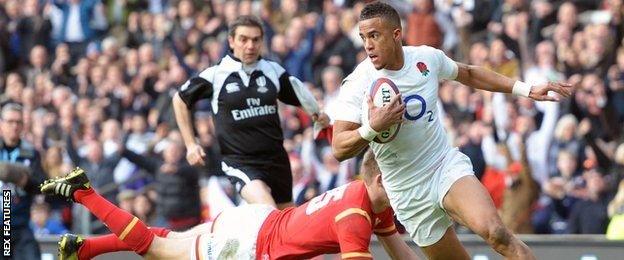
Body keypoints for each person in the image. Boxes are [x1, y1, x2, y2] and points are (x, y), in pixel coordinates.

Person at [331, 2, 573, 260]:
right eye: (363, 37)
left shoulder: (426, 58)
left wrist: (525, 89)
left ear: (396, 34)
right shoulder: (357, 84)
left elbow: (467, 73)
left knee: (497, 233)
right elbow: (339, 147)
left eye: (374, 35)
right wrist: (372, 127)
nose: (367, 45)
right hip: (407, 190)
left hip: (443, 166)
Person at [41, 150, 418, 260]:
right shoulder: (355, 214)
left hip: (258, 222)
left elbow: (400, 252)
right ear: (381, 179)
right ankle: (84, 192)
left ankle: (85, 248)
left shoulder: (366, 198)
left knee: (169, 240)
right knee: (154, 248)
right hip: (250, 245)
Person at [172, 15, 329, 210]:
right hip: (241, 162)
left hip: (277, 160)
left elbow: (301, 94)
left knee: (288, 222)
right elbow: (180, 99)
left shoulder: (272, 71)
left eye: (256, 39)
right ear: (231, 41)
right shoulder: (216, 75)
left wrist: (318, 113)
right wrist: (190, 144)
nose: (250, 45)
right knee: (268, 209)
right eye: (243, 39)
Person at [0, 103, 47, 260]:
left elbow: (42, 185)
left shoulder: (31, 152)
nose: (14, 126)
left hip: (20, 223)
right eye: (10, 121)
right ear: (1, 123)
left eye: (18, 122)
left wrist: (23, 180)